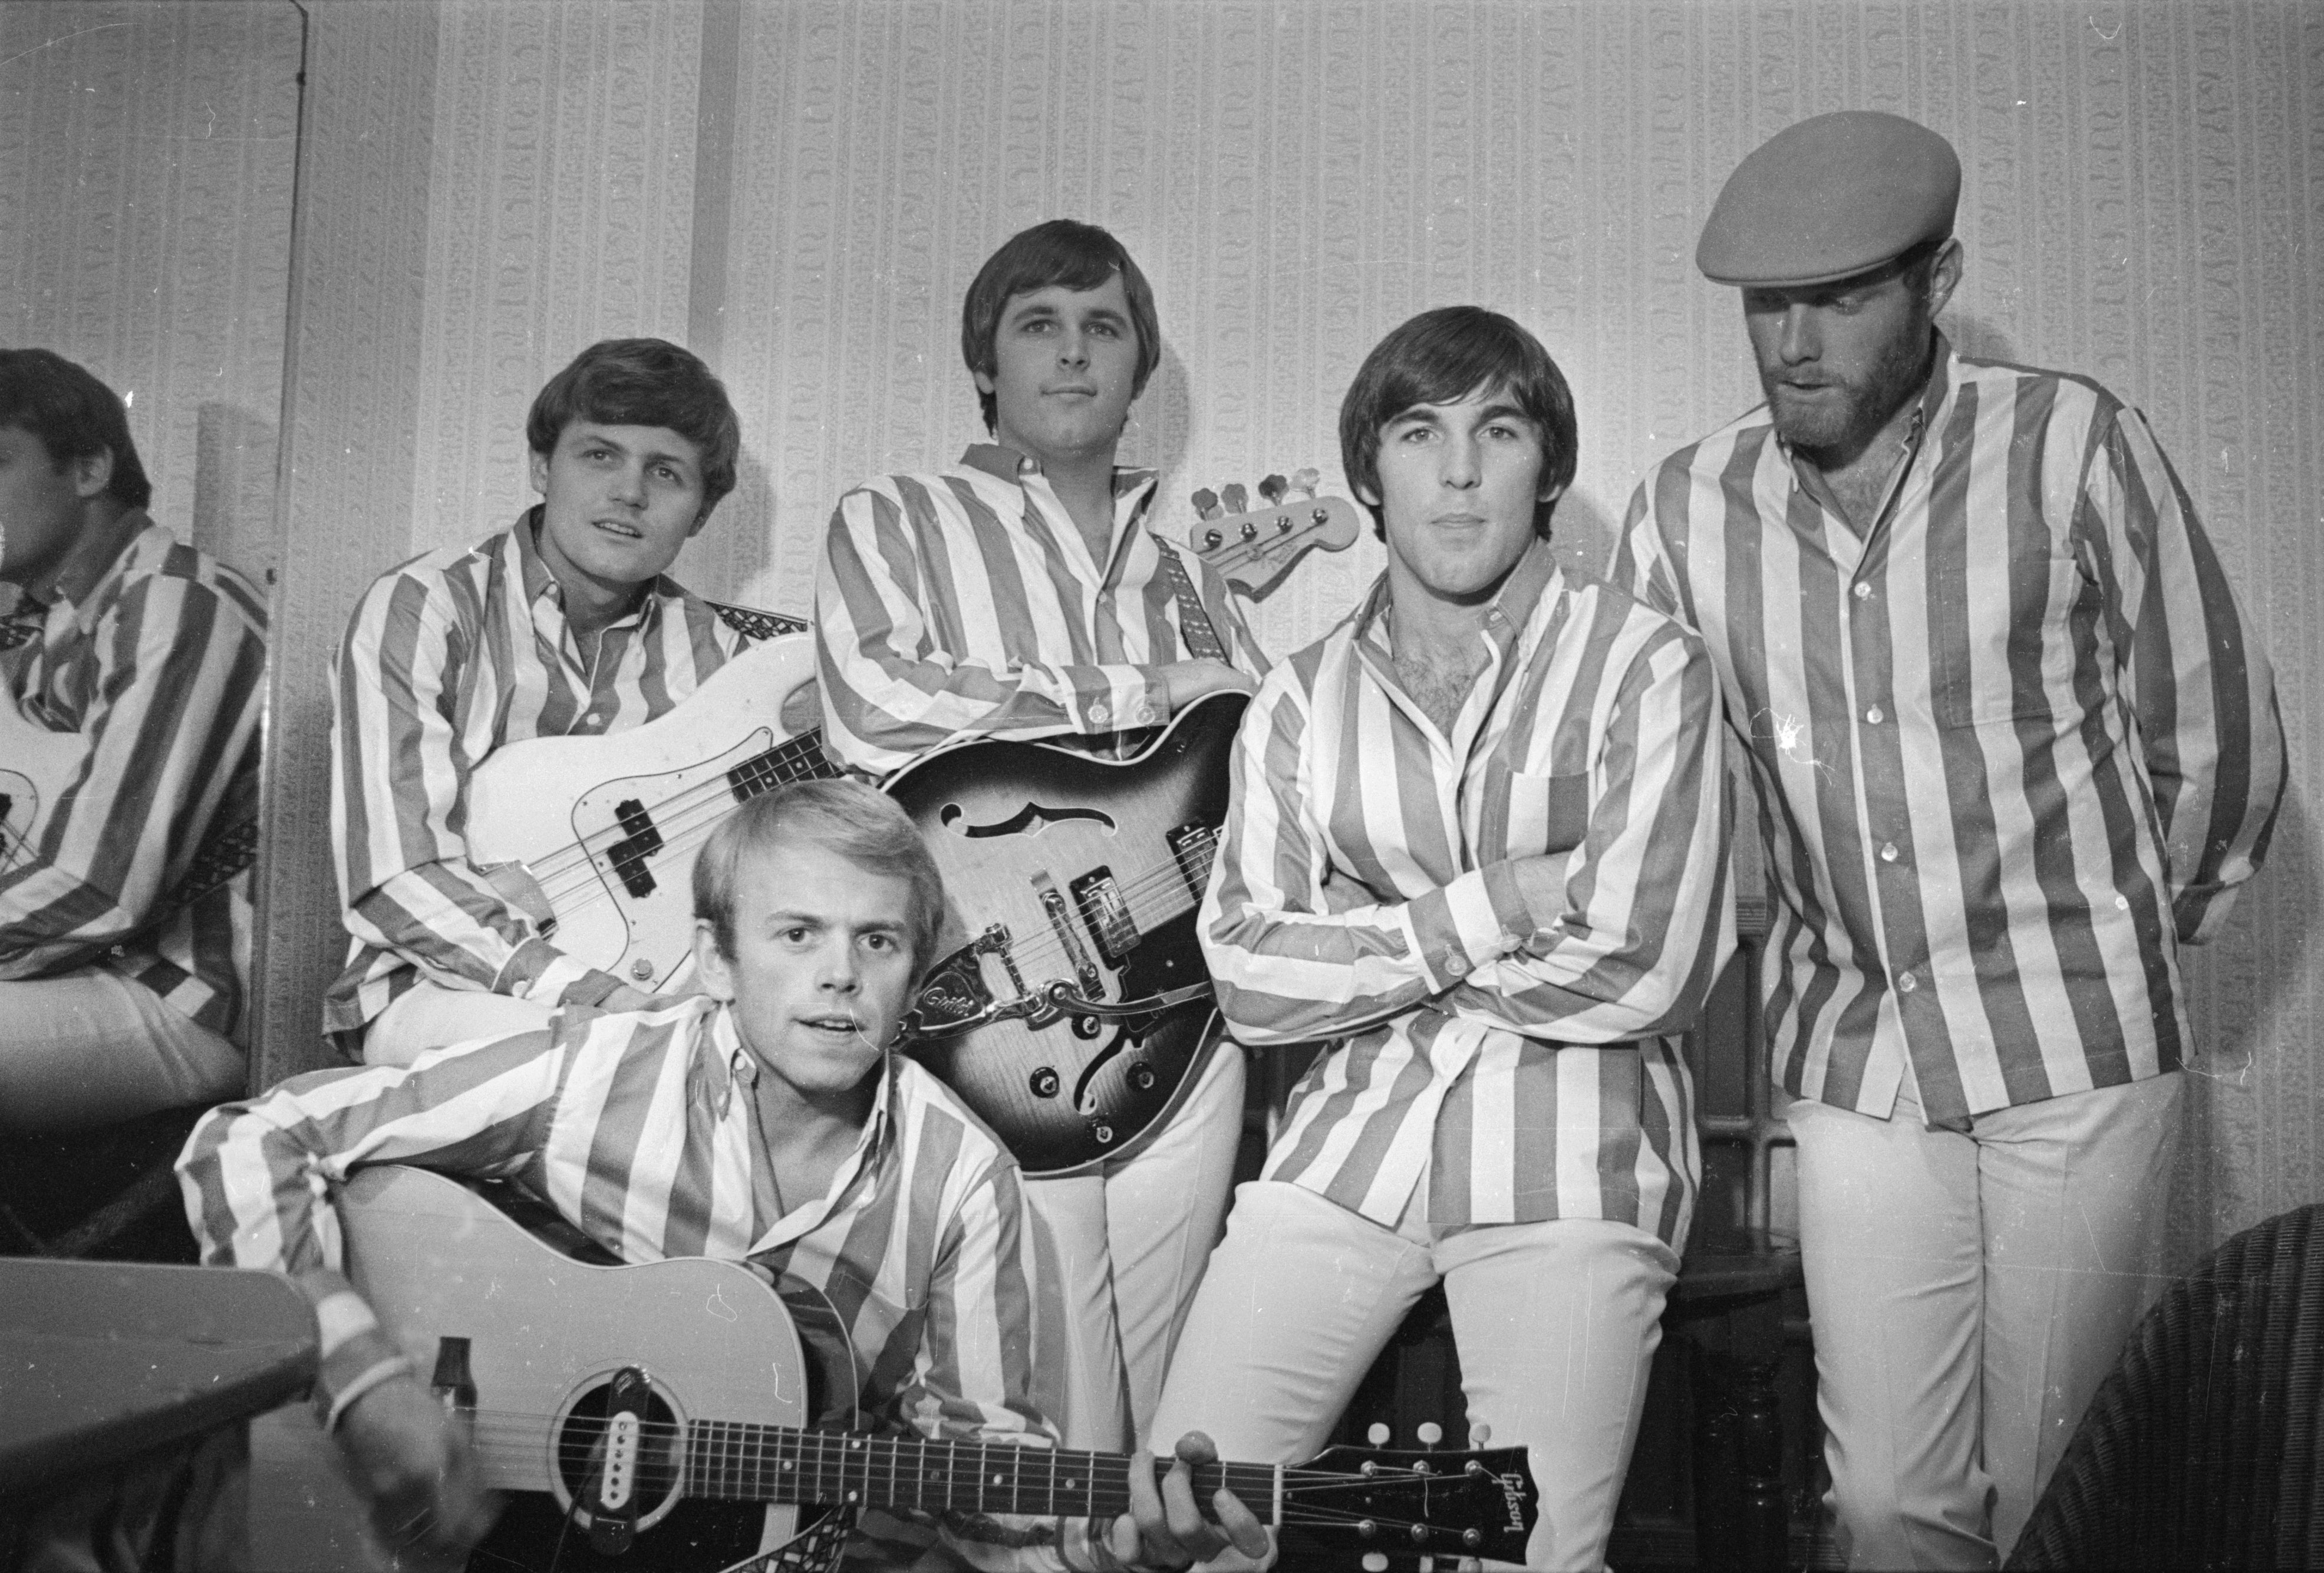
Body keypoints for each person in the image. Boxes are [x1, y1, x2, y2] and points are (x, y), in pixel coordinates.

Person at [1612, 110, 2286, 1569]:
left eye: (1842, 299)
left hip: (2076, 1048)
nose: (1793, 343)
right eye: (1766, 307)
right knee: (1882, 1503)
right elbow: (1667, 806)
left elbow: (2217, 746)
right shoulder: (1681, 511)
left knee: (2060, 1481)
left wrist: (2105, 941)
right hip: (1855, 1057)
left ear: (1938, 283)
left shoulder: (2072, 449)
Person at [177, 778, 1270, 1572]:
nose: (838, 974)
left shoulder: (962, 1177)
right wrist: (365, 1379)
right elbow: (249, 1136)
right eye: (796, 932)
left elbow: (984, 1472)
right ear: (715, 958)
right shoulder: (593, 1067)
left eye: (878, 942)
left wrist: (1122, 1541)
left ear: (915, 968)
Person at [1149, 305, 1734, 1572]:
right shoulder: (1301, 695)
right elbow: (1247, 970)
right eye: (1419, 433)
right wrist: (1508, 895)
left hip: (1575, 1150)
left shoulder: (1648, 665)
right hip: (1346, 1151)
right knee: (1184, 1520)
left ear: (1548, 471)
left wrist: (1364, 952)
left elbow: (1650, 956)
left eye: (1498, 429)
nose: (1459, 470)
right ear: (1370, 475)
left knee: (1524, 1561)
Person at [813, 220, 1262, 1454]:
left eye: (1103, 327)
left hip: (1183, 1008)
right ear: (986, 364)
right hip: (1000, 1003)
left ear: (1139, 366)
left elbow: (1254, 768)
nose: (1073, 353)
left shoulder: (1186, 570)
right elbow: (871, 706)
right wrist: (1135, 687)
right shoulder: (896, 515)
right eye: (1040, 325)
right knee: (1056, 1405)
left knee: (1176, 1393)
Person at [328, 337, 754, 1067]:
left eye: (666, 471)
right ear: (540, 467)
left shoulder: (725, 657)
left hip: (657, 995)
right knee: (630, 1066)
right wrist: (597, 998)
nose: (630, 491)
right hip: (440, 990)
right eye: (599, 455)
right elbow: (395, 877)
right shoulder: (427, 606)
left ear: (702, 512)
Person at [0, 347, 268, 1130]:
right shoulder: (50, 617)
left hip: (178, 988)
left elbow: (99, 886)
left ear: (86, 472)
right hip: (71, 968)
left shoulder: (177, 608)